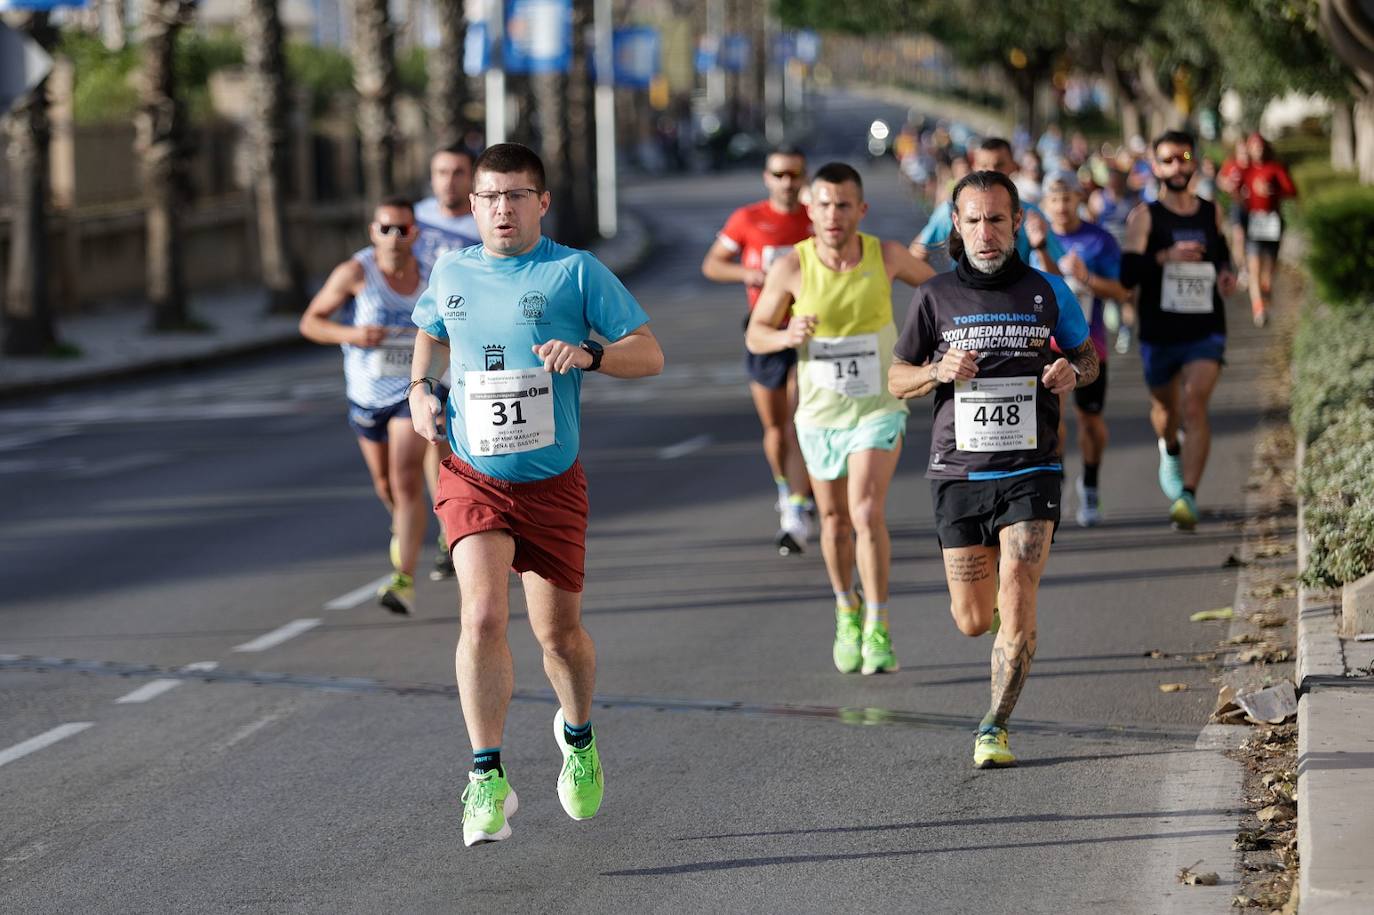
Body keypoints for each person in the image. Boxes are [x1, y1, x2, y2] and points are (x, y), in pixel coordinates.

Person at [407, 143, 663, 847]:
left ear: (542, 203)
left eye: (516, 195)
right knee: (484, 614)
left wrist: (591, 354)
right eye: (488, 197)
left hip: (551, 484)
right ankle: (486, 775)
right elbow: (428, 331)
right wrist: (419, 391)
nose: (501, 209)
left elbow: (651, 351)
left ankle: (577, 736)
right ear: (471, 204)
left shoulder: (572, 272)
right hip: (471, 474)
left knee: (558, 637)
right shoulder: (452, 269)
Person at [889, 169, 1098, 769]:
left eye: (997, 220)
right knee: (972, 618)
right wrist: (936, 372)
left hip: (1032, 468)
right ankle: (1008, 623)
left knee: (1018, 589)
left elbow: (1086, 359)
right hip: (958, 474)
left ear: (1016, 224)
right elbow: (897, 378)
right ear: (957, 225)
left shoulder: (1048, 291)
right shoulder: (933, 297)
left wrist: (1069, 372)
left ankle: (994, 725)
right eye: (974, 220)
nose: (986, 232)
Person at [747, 162, 935, 676]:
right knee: (832, 520)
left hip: (877, 408)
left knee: (866, 511)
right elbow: (755, 333)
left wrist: (926, 346)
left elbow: (942, 294)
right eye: (824, 204)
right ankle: (845, 608)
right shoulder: (792, 266)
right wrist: (787, 336)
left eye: (844, 205)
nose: (833, 215)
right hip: (820, 416)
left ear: (861, 210)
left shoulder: (886, 255)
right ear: (811, 209)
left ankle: (878, 624)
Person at [299, 196, 440, 615]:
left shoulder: (432, 277)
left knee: (404, 477)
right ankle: (406, 528)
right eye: (386, 228)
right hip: (365, 394)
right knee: (385, 485)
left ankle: (404, 579)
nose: (394, 237)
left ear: (416, 233)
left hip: (409, 392)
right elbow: (310, 322)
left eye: (402, 229)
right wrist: (353, 335)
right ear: (372, 232)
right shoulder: (355, 273)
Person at [1120, 130, 1238, 531]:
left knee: (1194, 403)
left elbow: (1222, 256)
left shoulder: (1210, 211)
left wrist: (1225, 276)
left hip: (1205, 325)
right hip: (1160, 330)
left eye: (1183, 158)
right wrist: (1164, 256)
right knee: (1167, 410)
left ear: (1194, 162)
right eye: (1167, 160)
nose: (1176, 166)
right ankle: (1169, 448)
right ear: (1155, 167)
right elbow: (1127, 274)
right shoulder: (1145, 217)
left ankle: (1187, 494)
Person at [701, 145, 817, 555]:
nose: (787, 182)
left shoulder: (816, 218)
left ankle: (797, 510)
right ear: (767, 178)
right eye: (779, 174)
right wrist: (747, 272)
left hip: (808, 331)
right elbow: (712, 264)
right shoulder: (748, 219)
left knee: (798, 419)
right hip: (763, 332)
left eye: (794, 174)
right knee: (775, 428)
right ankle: (787, 489)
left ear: (803, 178)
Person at [1041, 170, 1129, 526]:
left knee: (1090, 421)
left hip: (1089, 346)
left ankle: (1090, 486)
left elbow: (1121, 292)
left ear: (1079, 199)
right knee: (1053, 421)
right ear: (1045, 204)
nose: (1061, 207)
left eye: (1067, 198)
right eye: (1054, 199)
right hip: (1044, 346)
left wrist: (1087, 279)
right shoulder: (1034, 241)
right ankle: (1056, 483)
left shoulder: (1100, 241)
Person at [909, 137, 1064, 276]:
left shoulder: (1032, 215)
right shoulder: (950, 212)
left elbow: (1057, 280)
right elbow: (915, 256)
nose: (991, 171)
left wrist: (1041, 247)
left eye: (999, 165)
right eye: (973, 221)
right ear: (974, 166)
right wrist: (941, 292)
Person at [1238, 132, 1296, 327]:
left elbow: (1291, 190)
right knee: (1253, 266)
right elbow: (1233, 188)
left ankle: (1265, 293)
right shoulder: (1245, 170)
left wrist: (1273, 191)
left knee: (1269, 269)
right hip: (1253, 221)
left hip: (1272, 222)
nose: (1257, 150)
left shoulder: (1275, 168)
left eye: (1260, 147)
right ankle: (1258, 308)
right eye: (1253, 147)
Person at [414, 145, 482, 270]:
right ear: (431, 177)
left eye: (458, 173)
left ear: (474, 178)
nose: (449, 181)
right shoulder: (417, 214)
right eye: (442, 172)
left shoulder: (486, 225)